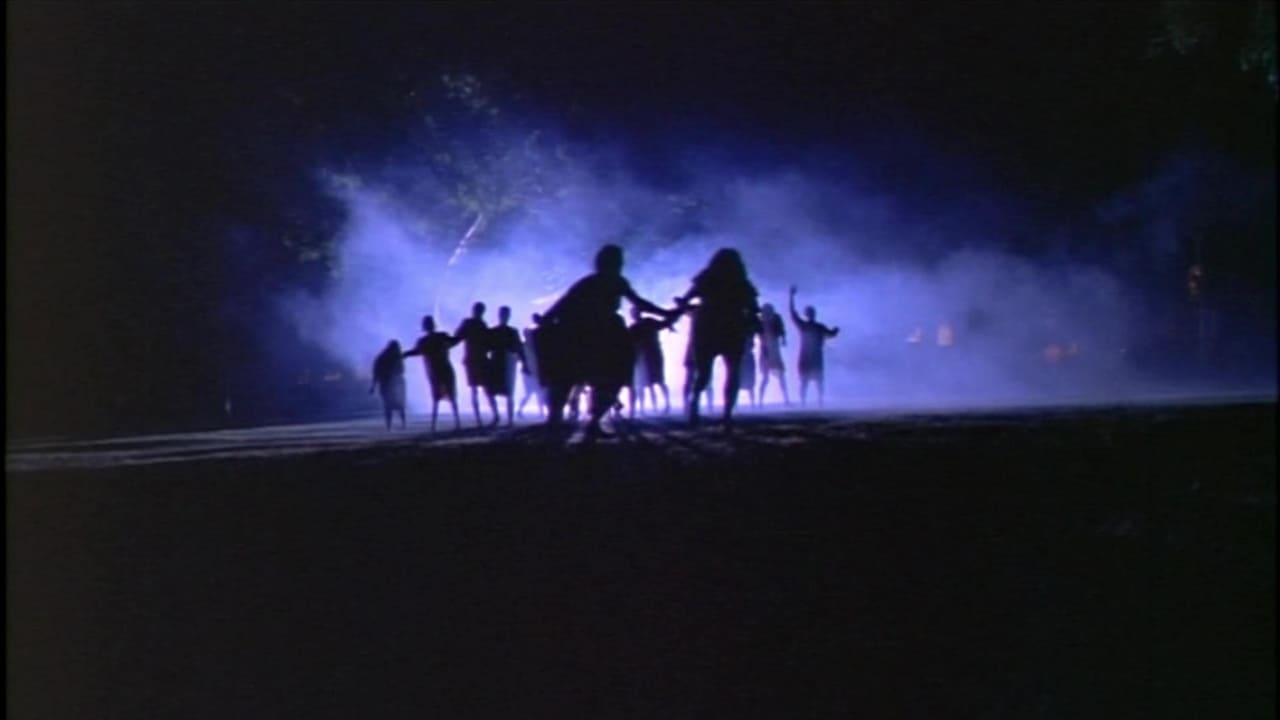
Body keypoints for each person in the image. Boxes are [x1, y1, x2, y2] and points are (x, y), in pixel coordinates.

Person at [535, 244, 680, 438]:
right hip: (603, 335)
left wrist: (546, 319)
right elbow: (640, 303)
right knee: (612, 375)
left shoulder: (588, 282)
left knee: (573, 377)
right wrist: (666, 313)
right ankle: (584, 421)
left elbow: (563, 303)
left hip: (580, 334)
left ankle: (564, 421)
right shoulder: (614, 281)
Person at [675, 248, 761, 427]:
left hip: (707, 327)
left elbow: (687, 298)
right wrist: (753, 325)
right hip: (732, 327)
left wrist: (680, 308)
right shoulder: (741, 282)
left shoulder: (707, 278)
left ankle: (694, 405)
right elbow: (753, 308)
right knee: (733, 371)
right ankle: (727, 413)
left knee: (703, 373)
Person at [402, 315, 463, 432]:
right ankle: (455, 422)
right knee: (449, 396)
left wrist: (405, 354)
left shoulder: (425, 341)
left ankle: (435, 425)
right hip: (443, 369)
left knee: (437, 398)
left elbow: (416, 351)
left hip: (435, 371)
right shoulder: (440, 337)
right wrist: (462, 333)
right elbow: (455, 341)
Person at [789, 285, 840, 407]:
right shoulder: (807, 326)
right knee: (808, 381)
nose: (812, 314)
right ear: (809, 314)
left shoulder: (813, 326)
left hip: (811, 357)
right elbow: (792, 313)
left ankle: (816, 401)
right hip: (808, 357)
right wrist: (791, 297)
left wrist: (835, 331)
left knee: (815, 381)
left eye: (812, 313)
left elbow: (831, 334)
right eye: (810, 313)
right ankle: (807, 402)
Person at [627, 305, 680, 417]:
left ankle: (666, 404)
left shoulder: (647, 323)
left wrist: (671, 320)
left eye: (635, 312)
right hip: (643, 357)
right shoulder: (636, 327)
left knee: (658, 380)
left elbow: (664, 324)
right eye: (633, 313)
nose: (634, 315)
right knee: (643, 383)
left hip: (652, 355)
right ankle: (641, 408)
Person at [454, 301, 499, 427]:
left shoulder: (470, 323)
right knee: (485, 390)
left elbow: (457, 338)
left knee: (477, 390)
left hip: (472, 360)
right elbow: (489, 344)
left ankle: (481, 419)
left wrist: (446, 343)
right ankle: (493, 415)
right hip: (479, 359)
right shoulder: (482, 325)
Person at [484, 306, 527, 427]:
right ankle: (498, 416)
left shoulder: (510, 332)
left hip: (507, 362)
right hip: (498, 361)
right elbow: (486, 347)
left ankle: (508, 419)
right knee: (492, 391)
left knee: (508, 392)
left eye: (505, 314)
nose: (504, 317)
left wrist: (524, 363)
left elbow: (519, 349)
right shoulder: (495, 331)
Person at [369, 340, 407, 430]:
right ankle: (401, 424)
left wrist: (373, 386)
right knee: (397, 405)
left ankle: (390, 425)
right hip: (392, 383)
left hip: (388, 383)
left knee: (389, 405)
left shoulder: (382, 357)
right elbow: (402, 370)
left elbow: (376, 372)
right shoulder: (396, 356)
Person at [757, 302, 790, 405]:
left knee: (780, 376)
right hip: (766, 351)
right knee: (766, 378)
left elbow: (782, 330)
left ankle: (786, 399)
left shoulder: (775, 319)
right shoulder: (761, 321)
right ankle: (760, 401)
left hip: (774, 350)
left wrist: (783, 339)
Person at [517, 313, 546, 419]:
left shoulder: (528, 346)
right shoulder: (527, 346)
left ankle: (540, 412)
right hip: (529, 372)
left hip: (531, 372)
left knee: (536, 393)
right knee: (532, 393)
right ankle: (521, 410)